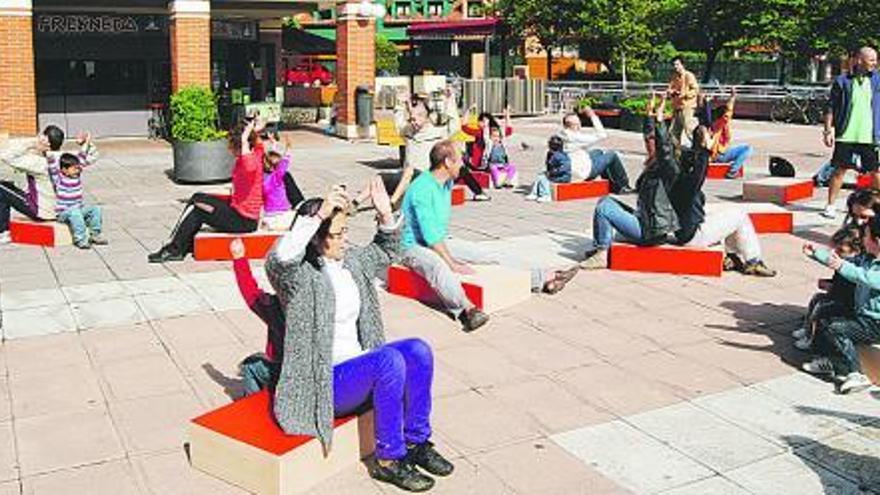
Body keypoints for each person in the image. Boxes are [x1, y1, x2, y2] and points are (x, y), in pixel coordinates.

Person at [265, 177, 454, 492]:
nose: (345, 240)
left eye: (346, 232)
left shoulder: (351, 262)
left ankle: (417, 442)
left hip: (360, 370)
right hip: (325, 384)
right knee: (388, 362)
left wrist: (385, 214)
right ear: (315, 239)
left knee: (419, 350)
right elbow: (277, 262)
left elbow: (386, 251)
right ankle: (389, 460)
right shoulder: (300, 279)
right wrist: (318, 215)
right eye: (337, 234)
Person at [582, 93, 777, 277]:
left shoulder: (667, 172)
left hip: (665, 228)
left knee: (732, 214)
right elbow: (663, 147)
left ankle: (735, 257)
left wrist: (657, 120)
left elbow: (662, 147)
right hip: (682, 234)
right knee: (739, 215)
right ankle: (751, 260)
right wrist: (702, 150)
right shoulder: (677, 176)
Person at [399, 141, 578, 331]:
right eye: (460, 159)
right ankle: (467, 311)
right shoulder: (422, 189)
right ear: (447, 162)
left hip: (439, 239)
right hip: (412, 246)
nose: (463, 163)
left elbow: (437, 235)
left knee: (486, 254)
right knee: (438, 267)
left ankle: (545, 278)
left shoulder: (445, 182)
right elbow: (431, 236)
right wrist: (452, 263)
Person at [148, 118, 264, 262]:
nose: (229, 149)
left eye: (231, 146)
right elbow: (258, 144)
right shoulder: (256, 153)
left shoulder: (250, 161)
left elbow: (249, 164)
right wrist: (255, 131)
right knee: (197, 197)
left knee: (198, 210)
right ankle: (180, 242)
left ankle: (175, 250)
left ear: (240, 145)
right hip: (238, 212)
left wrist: (245, 138)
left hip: (242, 221)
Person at [803, 215, 880, 394]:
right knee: (824, 315)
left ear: (877, 241)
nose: (863, 240)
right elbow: (847, 262)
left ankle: (855, 373)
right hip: (863, 316)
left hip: (876, 323)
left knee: (836, 328)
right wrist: (817, 254)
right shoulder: (867, 258)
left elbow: (864, 277)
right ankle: (830, 361)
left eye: (866, 236)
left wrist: (840, 266)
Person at [0, 126, 96, 244]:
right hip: (61, 210)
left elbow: (5, 156)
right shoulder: (65, 159)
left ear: (46, 141)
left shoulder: (38, 163)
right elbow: (92, 156)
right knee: (10, 185)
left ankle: (3, 232)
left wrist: (32, 143)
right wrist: (85, 143)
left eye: (41, 136)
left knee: (1, 187)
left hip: (41, 212)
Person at [392, 88, 488, 205]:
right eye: (412, 119)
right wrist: (400, 104)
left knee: (459, 166)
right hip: (417, 177)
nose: (414, 122)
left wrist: (450, 100)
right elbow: (400, 125)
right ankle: (478, 192)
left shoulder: (435, 129)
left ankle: (478, 192)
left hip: (425, 176)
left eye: (417, 118)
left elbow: (453, 125)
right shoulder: (409, 130)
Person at [821, 46, 880, 219]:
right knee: (839, 170)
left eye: (876, 60)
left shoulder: (877, 80)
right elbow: (830, 107)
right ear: (859, 60)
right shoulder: (842, 81)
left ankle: (877, 205)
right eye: (871, 60)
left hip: (869, 136)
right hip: (846, 134)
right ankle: (830, 205)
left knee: (876, 172)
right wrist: (827, 131)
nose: (874, 63)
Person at [230, 238, 285, 395]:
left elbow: (250, 292)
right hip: (319, 373)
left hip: (285, 375)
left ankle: (253, 403)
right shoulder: (318, 298)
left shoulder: (275, 307)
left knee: (250, 367)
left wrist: (239, 258)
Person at [795, 226, 861, 353]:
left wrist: (830, 286)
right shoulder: (843, 263)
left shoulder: (852, 267)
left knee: (822, 307)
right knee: (817, 298)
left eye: (841, 250)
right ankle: (808, 329)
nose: (836, 253)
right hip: (839, 297)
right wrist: (829, 283)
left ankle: (812, 341)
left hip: (848, 304)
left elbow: (849, 289)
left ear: (856, 250)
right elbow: (838, 282)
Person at [556, 106, 633, 194]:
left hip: (571, 169)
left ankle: (611, 184)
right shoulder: (575, 137)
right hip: (583, 173)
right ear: (576, 125)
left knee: (598, 152)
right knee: (612, 155)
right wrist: (592, 115)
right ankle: (623, 186)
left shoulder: (561, 134)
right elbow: (602, 134)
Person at [54, 153, 106, 249]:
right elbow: (52, 167)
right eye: (74, 168)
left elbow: (81, 157)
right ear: (64, 170)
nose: (77, 170)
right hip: (63, 213)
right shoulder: (59, 179)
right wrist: (49, 154)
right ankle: (80, 239)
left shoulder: (77, 176)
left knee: (96, 209)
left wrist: (85, 143)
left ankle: (95, 234)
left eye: (78, 168)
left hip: (78, 209)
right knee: (75, 212)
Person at [708, 87, 754, 179]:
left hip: (712, 154)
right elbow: (729, 110)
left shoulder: (710, 121)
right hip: (719, 155)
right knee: (747, 149)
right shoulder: (720, 124)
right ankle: (733, 171)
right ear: (722, 117)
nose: (727, 118)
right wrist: (732, 97)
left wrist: (710, 100)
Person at [261, 141, 304, 231]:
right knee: (297, 220)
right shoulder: (277, 178)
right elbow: (284, 163)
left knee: (271, 221)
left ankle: (270, 226)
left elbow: (269, 159)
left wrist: (273, 145)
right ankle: (277, 228)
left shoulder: (262, 178)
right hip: (282, 211)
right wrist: (288, 150)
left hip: (268, 212)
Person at [667, 56, 700, 149]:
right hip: (677, 107)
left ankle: (699, 148)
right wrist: (671, 92)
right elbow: (669, 89)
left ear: (682, 65)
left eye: (677, 64)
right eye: (674, 65)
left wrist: (685, 94)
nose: (675, 66)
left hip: (687, 107)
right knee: (673, 132)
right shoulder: (674, 77)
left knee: (688, 129)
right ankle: (676, 153)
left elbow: (695, 90)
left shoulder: (689, 75)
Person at [526, 135, 571, 203]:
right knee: (540, 176)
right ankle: (534, 193)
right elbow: (548, 164)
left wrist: (552, 172)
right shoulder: (550, 153)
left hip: (563, 177)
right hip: (554, 174)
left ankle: (546, 195)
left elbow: (565, 168)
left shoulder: (560, 156)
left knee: (545, 179)